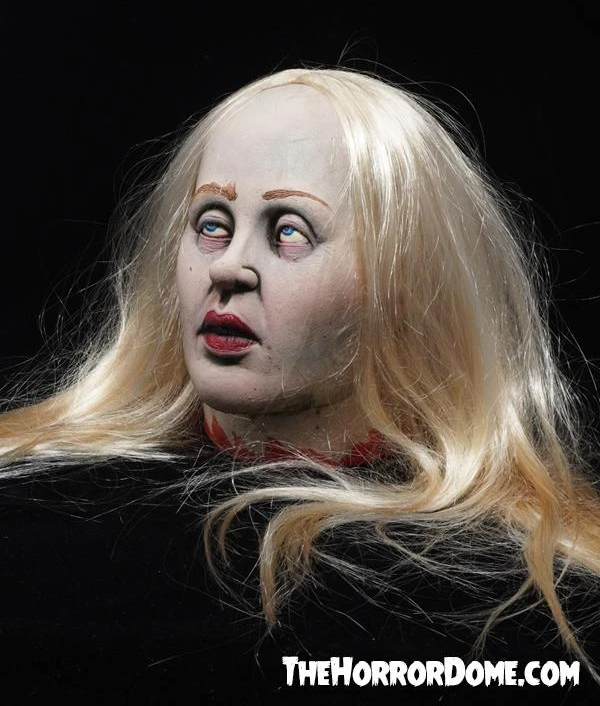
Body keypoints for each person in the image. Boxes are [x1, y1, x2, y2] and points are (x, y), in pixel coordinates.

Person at [0, 67, 599, 704]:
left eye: (289, 231)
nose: (229, 266)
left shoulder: (530, 608)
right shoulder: (37, 521)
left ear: (404, 284)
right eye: (211, 224)